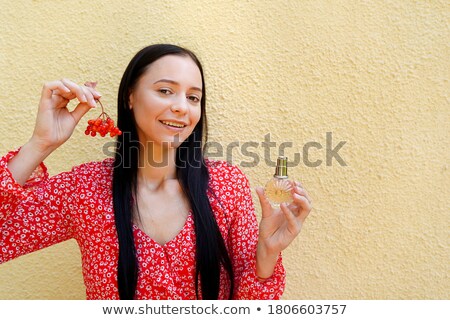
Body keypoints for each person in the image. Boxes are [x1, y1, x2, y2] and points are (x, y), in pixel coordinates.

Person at [0, 44, 312, 300]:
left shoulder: (226, 185)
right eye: (165, 91)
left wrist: (268, 255)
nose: (181, 107)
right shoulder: (85, 189)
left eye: (193, 97)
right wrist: (41, 143)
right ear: (130, 98)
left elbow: (251, 307)